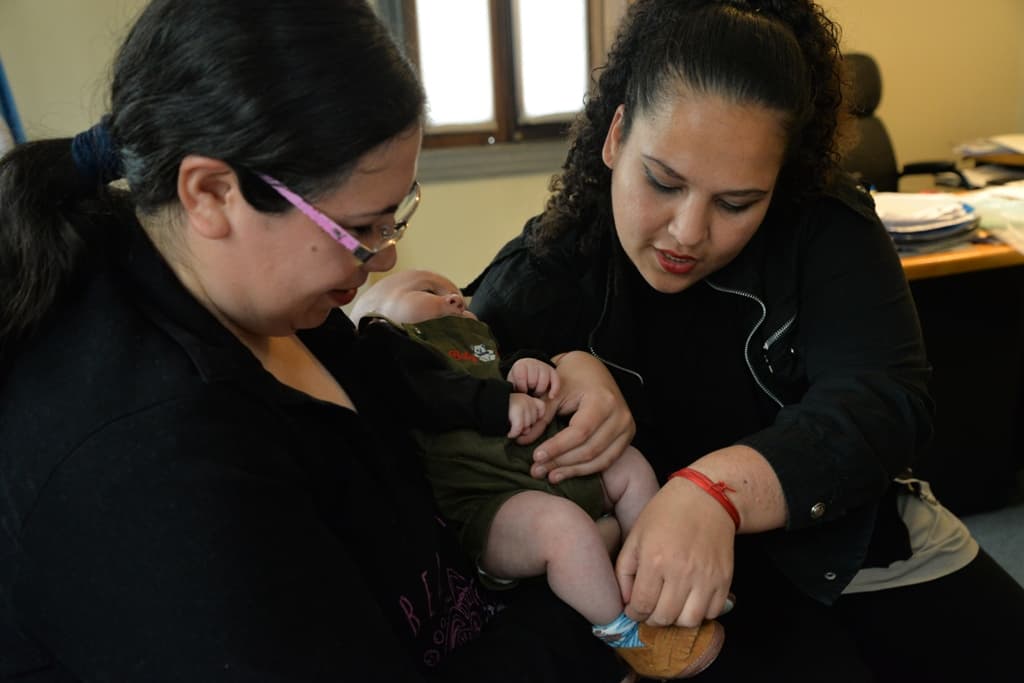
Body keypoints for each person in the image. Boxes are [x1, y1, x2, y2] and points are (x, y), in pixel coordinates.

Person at [0, 2, 640, 681]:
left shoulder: (261, 302)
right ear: (212, 194)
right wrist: (590, 617)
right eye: (359, 229)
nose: (385, 258)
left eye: (395, 217)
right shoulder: (147, 465)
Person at [466, 1, 1024, 681]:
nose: (688, 232)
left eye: (736, 203)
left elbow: (884, 401)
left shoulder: (825, 226)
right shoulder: (548, 270)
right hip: (676, 598)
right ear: (615, 135)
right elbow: (431, 365)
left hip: (851, 542)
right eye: (663, 182)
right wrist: (548, 369)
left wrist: (713, 490)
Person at [351, 269, 724, 679]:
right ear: (373, 312)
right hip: (493, 508)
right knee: (562, 529)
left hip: (549, 473)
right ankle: (626, 636)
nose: (456, 298)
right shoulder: (387, 346)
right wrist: (499, 404)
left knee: (629, 464)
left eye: (458, 293)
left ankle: (656, 575)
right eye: (428, 291)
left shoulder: (480, 345)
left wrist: (532, 366)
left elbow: (508, 368)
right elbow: (428, 393)